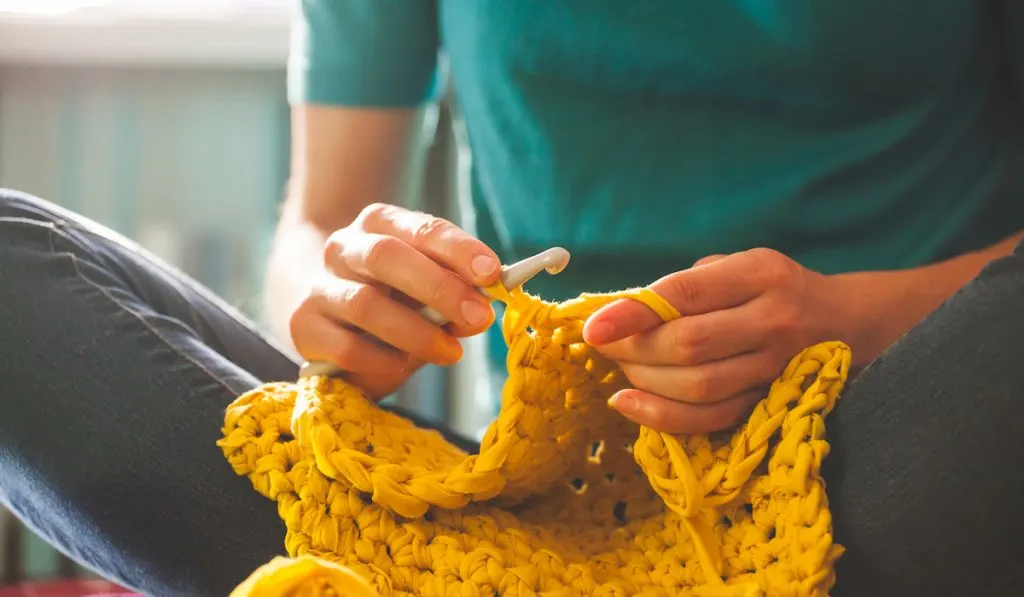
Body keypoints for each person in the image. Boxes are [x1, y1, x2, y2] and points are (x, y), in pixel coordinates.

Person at [2, 2, 1024, 596]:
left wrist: (850, 318)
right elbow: (319, 222)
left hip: (885, 454)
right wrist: (339, 291)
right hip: (506, 512)